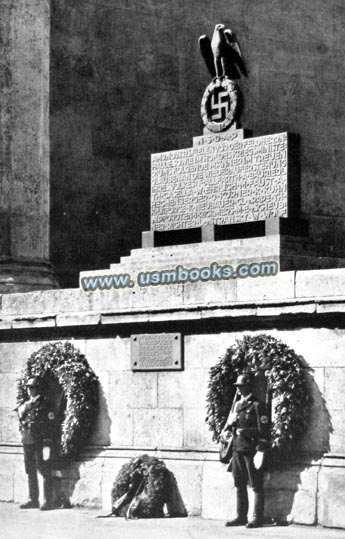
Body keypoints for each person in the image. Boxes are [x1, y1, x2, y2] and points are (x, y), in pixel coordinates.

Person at [222, 373, 269, 528]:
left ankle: (257, 517)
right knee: (239, 484)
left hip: (251, 450)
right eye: (238, 387)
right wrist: (230, 425)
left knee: (256, 484)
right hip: (237, 449)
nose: (239, 390)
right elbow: (232, 428)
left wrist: (260, 450)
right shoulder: (236, 405)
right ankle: (241, 516)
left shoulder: (257, 405)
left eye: (241, 387)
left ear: (248, 386)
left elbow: (264, 430)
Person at [16, 376, 56, 510]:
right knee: (30, 470)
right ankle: (33, 499)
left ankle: (47, 500)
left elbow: (51, 424)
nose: (29, 390)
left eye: (32, 387)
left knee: (44, 469)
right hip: (28, 440)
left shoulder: (45, 404)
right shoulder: (25, 404)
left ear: (38, 388)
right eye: (28, 387)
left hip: (41, 441)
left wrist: (48, 441)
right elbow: (23, 422)